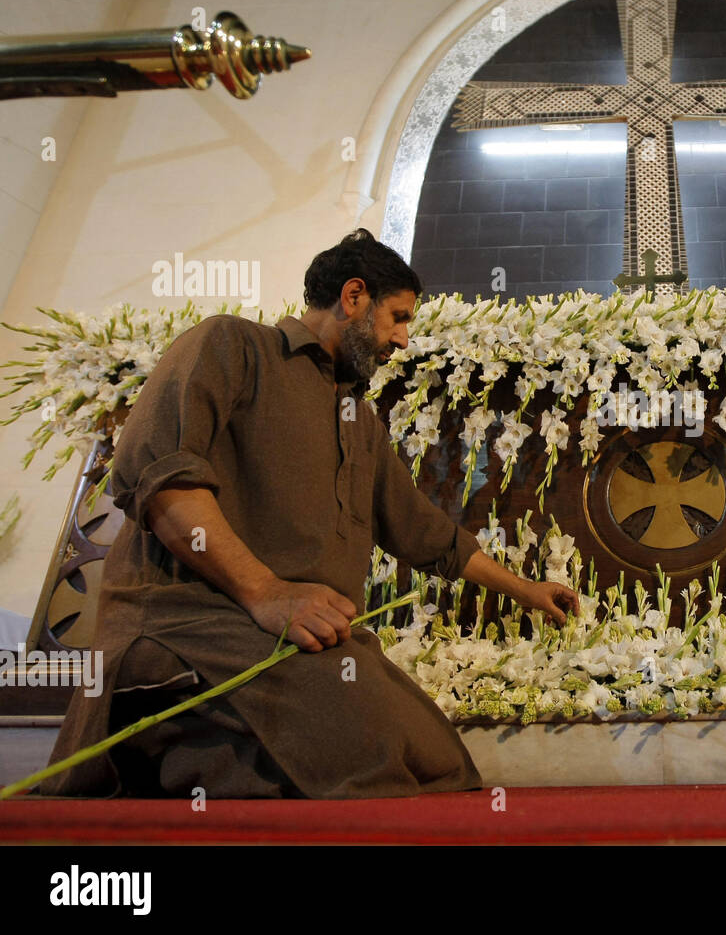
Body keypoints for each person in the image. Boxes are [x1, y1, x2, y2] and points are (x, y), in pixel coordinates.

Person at [41, 229, 578, 799]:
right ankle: (162, 760)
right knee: (370, 764)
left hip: (301, 640)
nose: (402, 339)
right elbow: (160, 479)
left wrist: (524, 589)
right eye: (396, 317)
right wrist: (268, 593)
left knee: (438, 761)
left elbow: (423, 532)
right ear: (353, 297)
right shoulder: (231, 346)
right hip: (194, 622)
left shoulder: (358, 416)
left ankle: (199, 760)